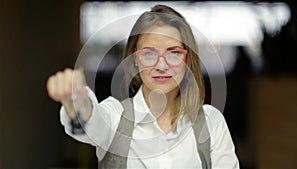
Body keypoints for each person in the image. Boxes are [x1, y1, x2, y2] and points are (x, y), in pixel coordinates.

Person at [47, 4, 239, 169]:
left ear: (187, 60)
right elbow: (91, 121)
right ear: (135, 59)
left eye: (173, 53)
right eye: (149, 54)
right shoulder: (115, 117)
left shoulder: (211, 123)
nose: (162, 66)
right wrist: (77, 101)